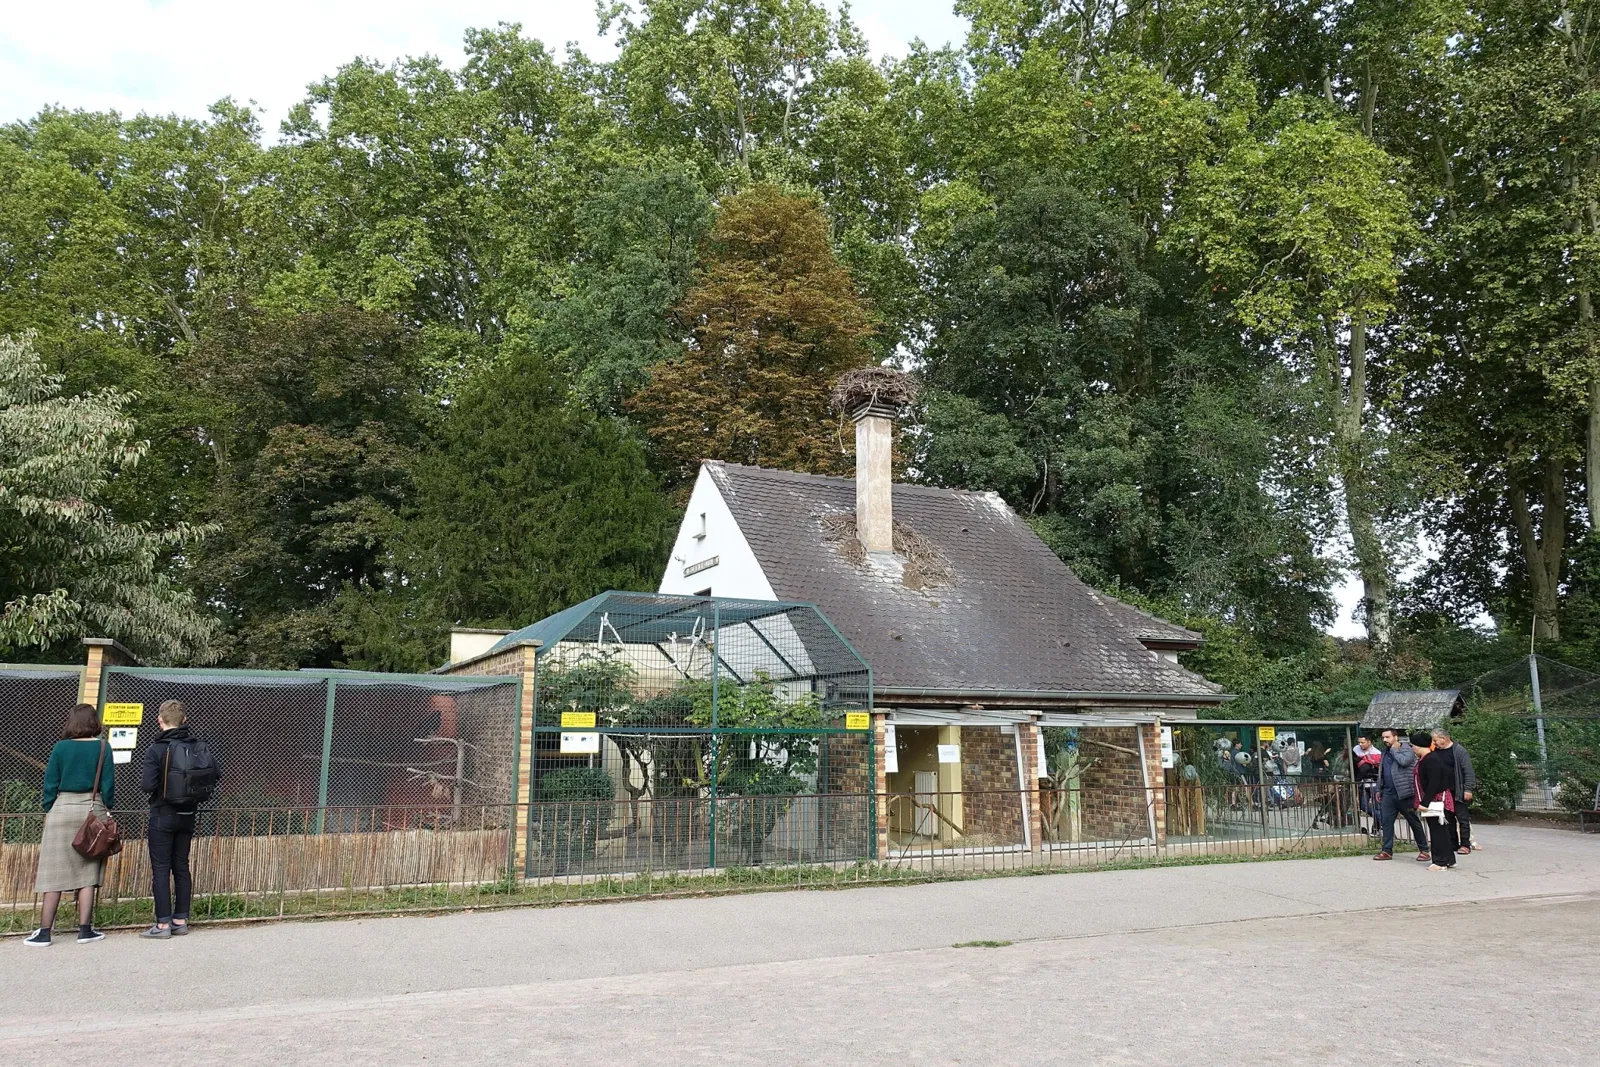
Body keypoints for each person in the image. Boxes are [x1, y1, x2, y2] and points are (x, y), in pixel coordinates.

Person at [24, 704, 114, 947]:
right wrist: (106, 808)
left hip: (62, 809)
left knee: (52, 873)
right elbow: (109, 784)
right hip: (91, 809)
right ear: (95, 722)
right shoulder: (104, 747)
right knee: (88, 872)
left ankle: (44, 932)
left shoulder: (61, 747)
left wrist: (50, 807)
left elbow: (50, 782)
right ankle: (85, 930)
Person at [139, 700, 217, 939]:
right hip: (187, 815)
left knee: (161, 868)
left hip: (162, 815)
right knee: (181, 866)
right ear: (185, 720)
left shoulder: (155, 750)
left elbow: (146, 786)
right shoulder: (197, 747)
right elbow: (214, 775)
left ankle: (162, 925)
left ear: (159, 719)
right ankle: (180, 920)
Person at [1375, 728, 1429, 862]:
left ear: (1396, 737)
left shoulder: (1407, 749)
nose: (1385, 740)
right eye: (1383, 738)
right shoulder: (1385, 752)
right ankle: (1386, 850)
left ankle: (1424, 849)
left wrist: (1394, 749)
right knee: (1386, 821)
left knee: (1413, 821)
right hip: (1388, 792)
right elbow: (1382, 770)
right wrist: (1378, 789)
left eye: (1387, 737)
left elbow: (1404, 761)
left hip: (1405, 793)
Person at [1414, 730, 1459, 870]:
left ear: (1418, 746)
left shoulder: (1431, 759)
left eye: (1412, 745)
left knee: (1438, 830)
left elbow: (1434, 782)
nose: (1412, 748)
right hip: (1432, 798)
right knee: (1440, 829)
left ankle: (1440, 862)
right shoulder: (1427, 759)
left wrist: (1424, 802)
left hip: (1437, 798)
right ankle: (1448, 859)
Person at [1432, 727, 1479, 854]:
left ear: (1444, 738)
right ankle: (1452, 844)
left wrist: (1468, 789)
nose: (1434, 743)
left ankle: (1465, 844)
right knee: (1448, 819)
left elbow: (1468, 771)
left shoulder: (1459, 751)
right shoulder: (1436, 751)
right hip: (1444, 792)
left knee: (1462, 818)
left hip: (1458, 791)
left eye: (1435, 740)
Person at [1353, 736, 1382, 834]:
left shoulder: (1376, 753)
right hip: (1363, 783)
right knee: (1363, 805)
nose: (1360, 744)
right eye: (1359, 742)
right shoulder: (1356, 749)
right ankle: (1380, 818)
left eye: (1363, 742)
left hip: (1373, 783)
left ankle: (1376, 828)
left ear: (1369, 742)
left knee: (1377, 806)